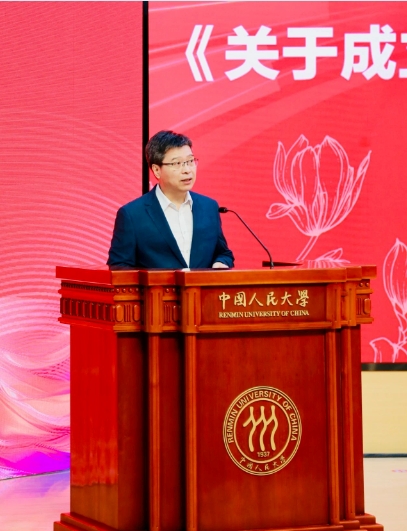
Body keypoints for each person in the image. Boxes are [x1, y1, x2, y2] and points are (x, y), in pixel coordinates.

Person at [107, 130, 234, 269]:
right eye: (177, 163)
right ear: (157, 170)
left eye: (190, 161)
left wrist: (220, 264)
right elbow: (119, 266)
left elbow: (223, 253)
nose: (187, 170)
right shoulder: (132, 214)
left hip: (203, 284)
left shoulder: (209, 207)